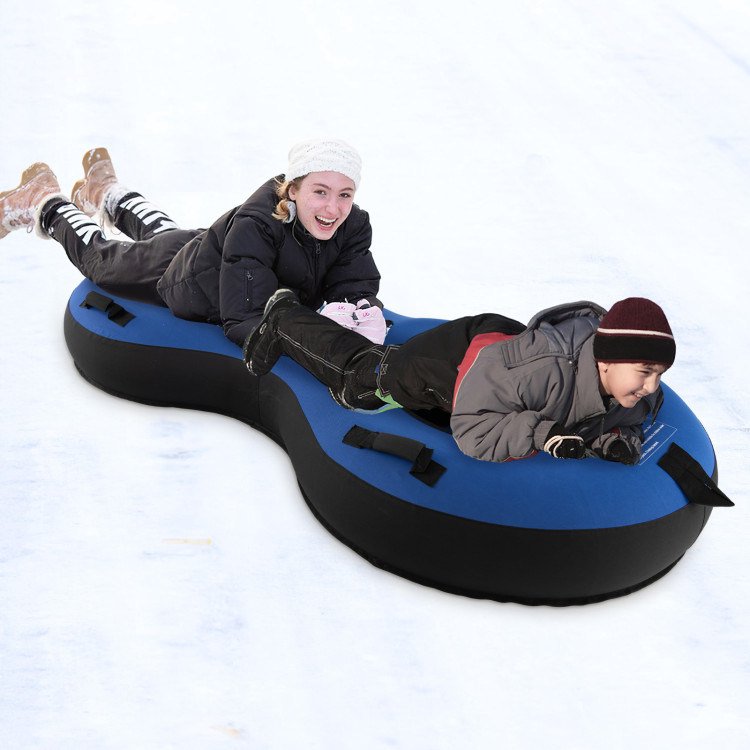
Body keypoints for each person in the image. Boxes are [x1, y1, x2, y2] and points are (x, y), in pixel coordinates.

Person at [0, 139, 386, 346]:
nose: (333, 208)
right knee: (103, 261)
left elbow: (354, 284)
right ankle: (43, 199)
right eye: (320, 191)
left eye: (345, 194)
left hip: (206, 251)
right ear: (293, 190)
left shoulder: (351, 226)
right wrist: (314, 338)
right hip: (182, 280)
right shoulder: (258, 225)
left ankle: (105, 191)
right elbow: (245, 317)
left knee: (167, 236)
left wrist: (359, 310)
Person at [243, 291, 676, 464]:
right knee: (360, 384)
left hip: (499, 356)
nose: (652, 387)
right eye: (645, 373)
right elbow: (473, 432)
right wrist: (542, 434)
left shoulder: (632, 391)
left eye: (659, 374)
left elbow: (621, 417)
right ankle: (284, 318)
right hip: (449, 367)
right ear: (606, 360)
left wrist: (614, 440)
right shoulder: (540, 372)